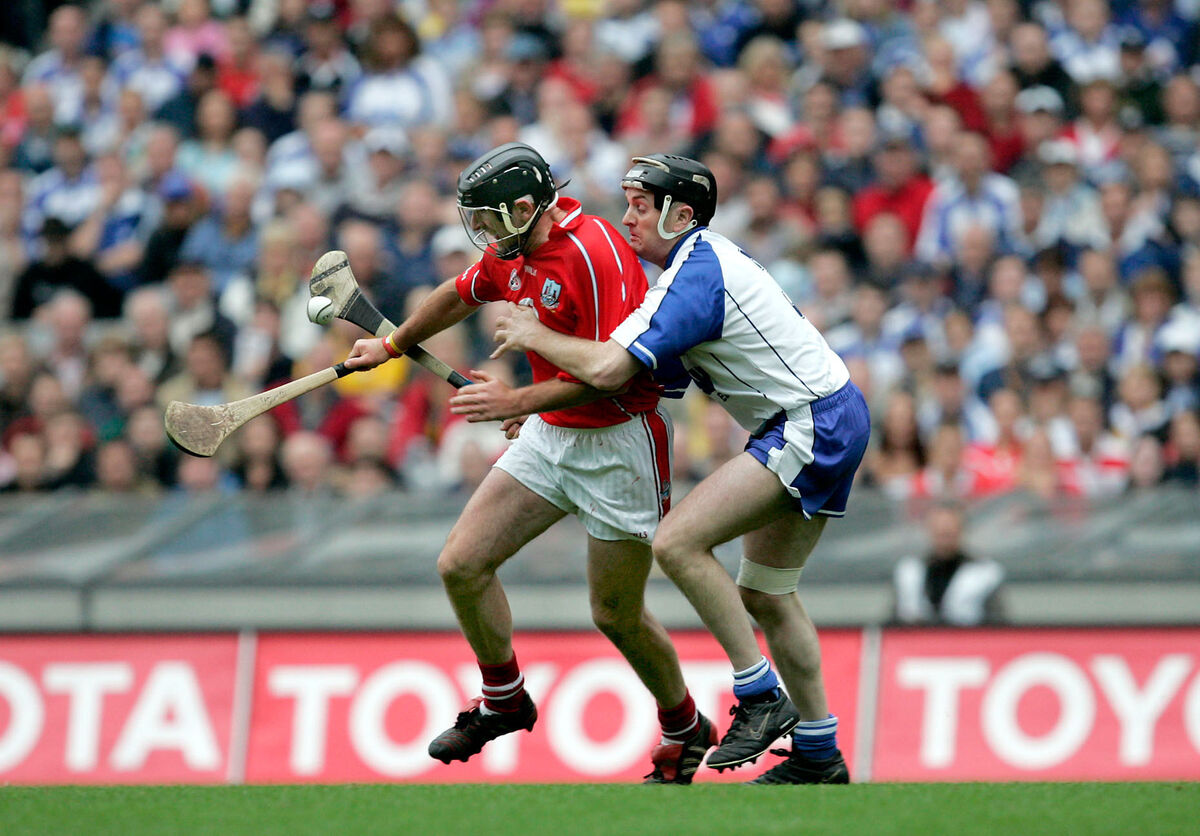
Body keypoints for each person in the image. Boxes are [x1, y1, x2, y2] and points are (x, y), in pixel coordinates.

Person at [489, 154, 871, 784]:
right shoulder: (686, 274)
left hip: (808, 420)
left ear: (681, 214)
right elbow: (634, 375)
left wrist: (534, 335)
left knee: (678, 542)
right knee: (767, 594)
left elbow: (612, 369)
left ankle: (758, 695)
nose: (629, 216)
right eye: (629, 202)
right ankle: (819, 752)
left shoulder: (694, 271)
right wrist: (526, 403)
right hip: (825, 413)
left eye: (643, 205)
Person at [342, 143, 713, 784]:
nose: (483, 236)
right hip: (549, 433)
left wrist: (517, 399)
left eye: (489, 220)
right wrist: (393, 344)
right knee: (461, 564)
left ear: (524, 208)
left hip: (620, 442)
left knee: (615, 613)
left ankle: (685, 725)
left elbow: (611, 377)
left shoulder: (591, 254)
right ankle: (504, 697)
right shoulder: (511, 253)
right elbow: (460, 294)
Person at [893, 502, 1005, 626]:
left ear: (962, 530)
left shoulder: (985, 572)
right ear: (928, 530)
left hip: (967, 640)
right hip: (917, 640)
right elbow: (893, 619)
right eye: (938, 528)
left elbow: (997, 622)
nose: (944, 532)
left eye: (949, 529)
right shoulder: (909, 570)